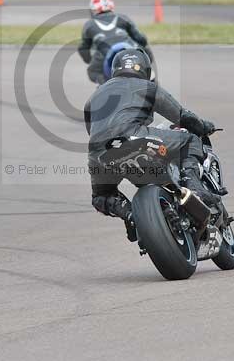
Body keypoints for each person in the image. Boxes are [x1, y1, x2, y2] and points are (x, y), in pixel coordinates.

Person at [83, 48, 220, 240]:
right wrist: (204, 126)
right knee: (190, 140)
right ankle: (195, 187)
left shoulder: (94, 97)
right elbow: (182, 116)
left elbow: (93, 131)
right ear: (146, 69)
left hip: (99, 153)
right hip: (135, 138)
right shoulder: (146, 86)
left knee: (101, 197)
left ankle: (132, 216)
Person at [78, 0, 154, 85]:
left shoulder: (89, 25)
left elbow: (83, 49)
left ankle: (105, 86)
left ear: (94, 8)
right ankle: (151, 80)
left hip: (103, 54)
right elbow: (141, 39)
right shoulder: (123, 18)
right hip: (131, 49)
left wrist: (89, 60)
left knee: (92, 72)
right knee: (144, 51)